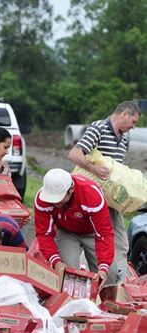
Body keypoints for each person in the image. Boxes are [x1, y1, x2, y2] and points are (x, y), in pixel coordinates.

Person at [68, 101, 141, 297]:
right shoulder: (98, 128)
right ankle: (89, 286)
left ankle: (111, 291)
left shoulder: (124, 139)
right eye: (133, 121)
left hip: (109, 201)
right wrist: (93, 169)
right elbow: (74, 154)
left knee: (121, 244)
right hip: (90, 198)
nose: (133, 126)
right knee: (94, 242)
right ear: (124, 114)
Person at [35, 169, 115, 289]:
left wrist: (103, 268)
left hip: (92, 232)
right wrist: (56, 261)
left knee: (110, 274)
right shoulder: (42, 200)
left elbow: (104, 234)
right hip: (66, 231)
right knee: (68, 274)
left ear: (71, 190)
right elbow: (44, 234)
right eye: (51, 198)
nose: (54, 202)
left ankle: (108, 306)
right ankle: (71, 303)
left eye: (58, 198)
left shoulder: (91, 195)